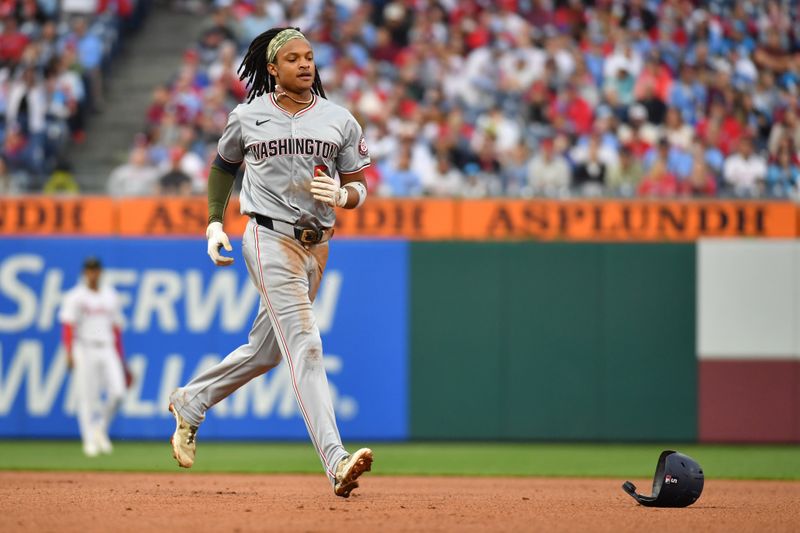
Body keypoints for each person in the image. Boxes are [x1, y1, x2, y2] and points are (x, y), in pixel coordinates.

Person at [168, 27, 373, 498]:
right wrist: (215, 223)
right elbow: (223, 167)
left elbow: (360, 183)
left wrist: (344, 194)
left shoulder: (339, 119)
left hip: (316, 244)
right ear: (273, 69)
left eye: (310, 57)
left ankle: (191, 400)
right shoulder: (248, 115)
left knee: (267, 350)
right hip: (266, 235)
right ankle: (336, 459)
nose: (305, 64)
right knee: (306, 344)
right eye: (294, 58)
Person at [59, 257, 131, 457]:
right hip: (84, 347)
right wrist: (69, 352)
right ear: (85, 273)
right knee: (87, 396)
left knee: (118, 393)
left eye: (96, 270)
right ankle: (89, 440)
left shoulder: (110, 295)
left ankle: (100, 428)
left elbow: (117, 328)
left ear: (100, 272)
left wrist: (121, 358)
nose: (93, 273)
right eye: (89, 270)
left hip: (107, 347)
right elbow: (68, 326)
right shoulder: (75, 296)